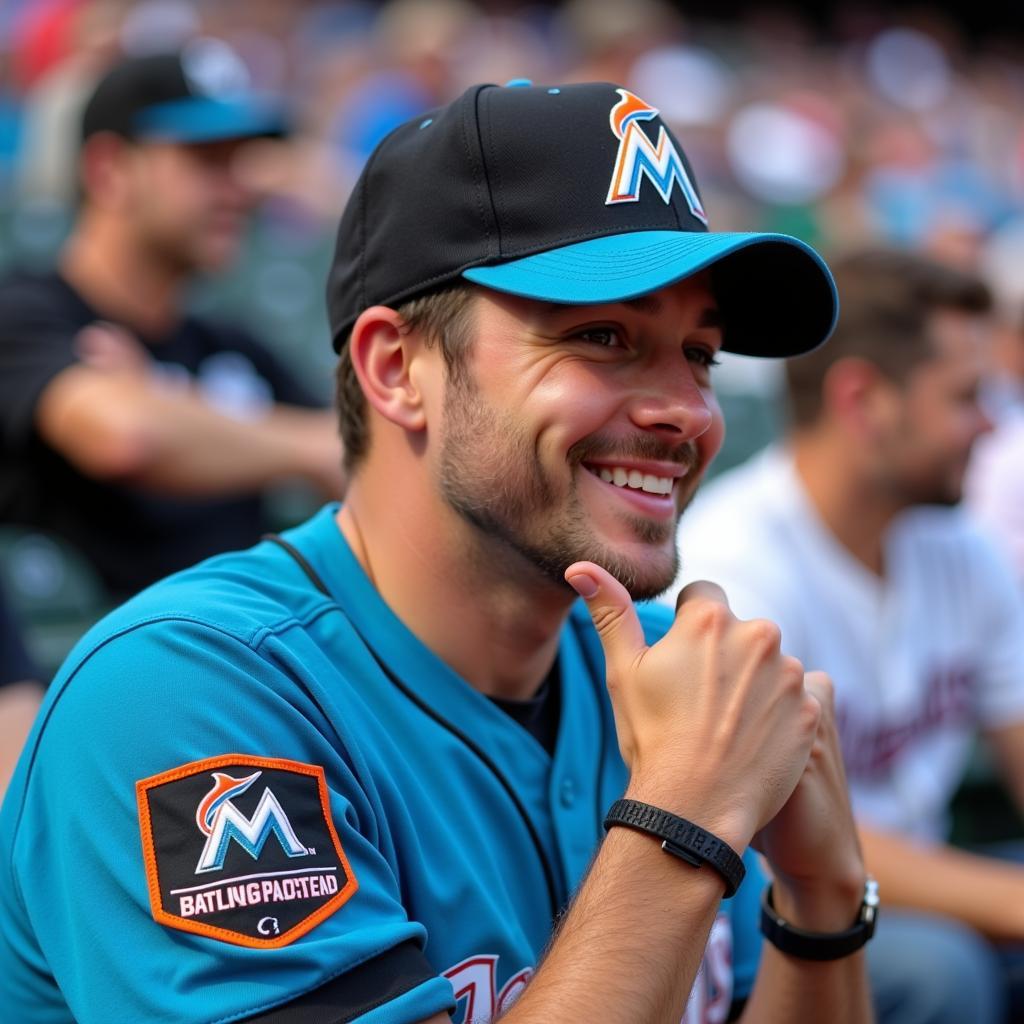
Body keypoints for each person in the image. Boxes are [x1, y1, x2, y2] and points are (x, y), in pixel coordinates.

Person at [0, 81, 873, 1024]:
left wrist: (821, 903)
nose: (687, 410)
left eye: (699, 355)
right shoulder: (179, 696)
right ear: (394, 368)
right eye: (604, 337)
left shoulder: (667, 676)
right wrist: (680, 816)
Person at [666, 248, 1024, 1024]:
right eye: (966, 395)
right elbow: (800, 845)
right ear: (864, 401)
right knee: (942, 970)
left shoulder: (957, 546)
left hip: (925, 877)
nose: (992, 421)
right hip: (776, 902)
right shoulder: (731, 565)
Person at [0, 43, 344, 599]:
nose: (239, 188)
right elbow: (122, 435)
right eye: (206, 160)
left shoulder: (231, 344)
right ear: (109, 169)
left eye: (240, 161)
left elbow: (358, 467)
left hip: (245, 662)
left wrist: (165, 401)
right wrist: (307, 447)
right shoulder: (26, 312)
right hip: (98, 668)